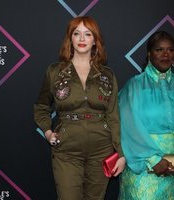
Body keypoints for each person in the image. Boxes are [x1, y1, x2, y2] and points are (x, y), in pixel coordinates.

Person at [34, 16, 125, 200]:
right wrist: (48, 132)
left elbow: (113, 115)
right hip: (66, 150)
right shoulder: (55, 72)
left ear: (95, 40)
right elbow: (41, 106)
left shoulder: (107, 75)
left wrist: (121, 154)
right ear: (70, 38)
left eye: (87, 34)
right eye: (77, 34)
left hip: (102, 149)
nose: (82, 39)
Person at [118, 31, 174, 200]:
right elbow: (128, 126)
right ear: (149, 54)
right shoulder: (134, 86)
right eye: (159, 50)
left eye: (170, 50)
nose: (166, 54)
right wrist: (153, 159)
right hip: (144, 170)